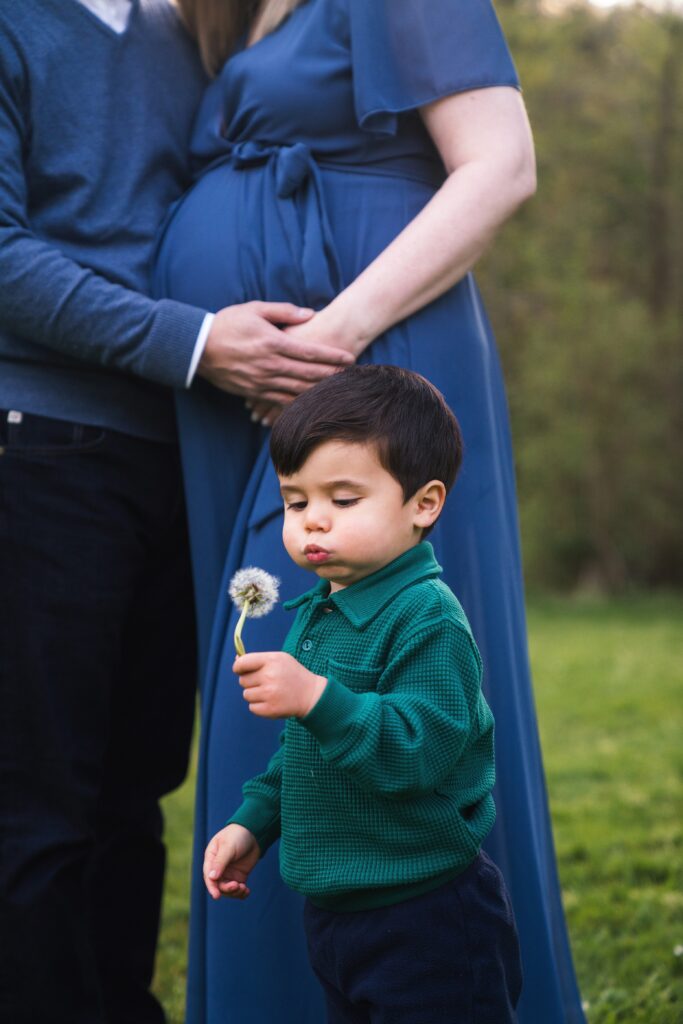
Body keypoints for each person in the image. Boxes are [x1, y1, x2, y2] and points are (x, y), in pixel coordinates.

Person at [154, 1, 586, 1021]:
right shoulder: (227, 15)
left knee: (369, 657)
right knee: (271, 681)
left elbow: (499, 164)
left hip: (365, 356)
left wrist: (330, 341)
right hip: (250, 389)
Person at [0, 2, 351, 1022]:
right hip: (40, 449)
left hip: (184, 454)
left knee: (135, 790)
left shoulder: (191, 32)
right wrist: (195, 342)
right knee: (36, 801)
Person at [205, 365, 524, 1024]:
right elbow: (302, 755)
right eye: (296, 502)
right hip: (336, 915)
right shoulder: (318, 612)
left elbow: (417, 753)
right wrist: (254, 824)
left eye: (342, 501)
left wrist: (318, 698)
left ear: (423, 504)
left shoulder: (425, 616)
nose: (312, 524)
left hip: (426, 913)